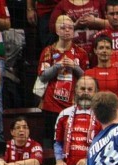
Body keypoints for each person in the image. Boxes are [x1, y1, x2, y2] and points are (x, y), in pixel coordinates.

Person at [37, 15, 90, 147]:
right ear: (57, 31)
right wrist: (57, 66)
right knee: (50, 139)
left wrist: (75, 67)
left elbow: (87, 79)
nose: (67, 30)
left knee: (71, 139)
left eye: (70, 28)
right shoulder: (48, 51)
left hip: (72, 105)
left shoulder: (81, 53)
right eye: (63, 28)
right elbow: (42, 77)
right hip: (51, 105)